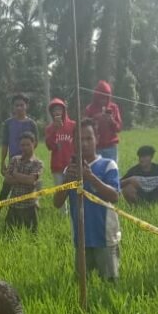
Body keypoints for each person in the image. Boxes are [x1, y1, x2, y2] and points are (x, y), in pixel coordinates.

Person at [53, 119, 122, 282]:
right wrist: (66, 181)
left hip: (105, 236)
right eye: (80, 139)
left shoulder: (108, 165)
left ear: (97, 138)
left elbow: (114, 196)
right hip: (81, 237)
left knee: (109, 282)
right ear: (74, 142)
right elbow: (57, 203)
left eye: (89, 138)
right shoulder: (69, 170)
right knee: (83, 282)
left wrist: (91, 177)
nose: (84, 143)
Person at [0, 94, 40, 221]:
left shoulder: (32, 124)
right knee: (5, 190)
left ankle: (32, 217)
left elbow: (36, 143)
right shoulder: (8, 123)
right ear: (13, 107)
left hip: (28, 162)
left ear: (26, 106)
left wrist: (28, 155)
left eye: (21, 105)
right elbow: (5, 144)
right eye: (16, 105)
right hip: (14, 162)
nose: (19, 108)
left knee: (30, 190)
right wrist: (2, 162)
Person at [3, 131, 44, 232]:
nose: (25, 147)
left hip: (29, 207)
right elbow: (7, 179)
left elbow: (31, 180)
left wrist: (15, 174)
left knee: (32, 236)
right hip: (14, 205)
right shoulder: (15, 160)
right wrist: (24, 179)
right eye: (22, 145)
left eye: (28, 144)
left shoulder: (38, 163)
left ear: (34, 144)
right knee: (8, 235)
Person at [84, 81, 122, 162]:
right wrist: (95, 119)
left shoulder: (114, 108)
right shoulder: (90, 109)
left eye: (105, 98)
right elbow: (85, 128)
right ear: (96, 97)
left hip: (111, 147)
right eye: (101, 98)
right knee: (96, 168)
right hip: (96, 147)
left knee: (111, 168)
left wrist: (111, 120)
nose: (103, 100)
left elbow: (118, 128)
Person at [44, 98, 76, 186]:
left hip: (71, 165)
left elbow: (78, 144)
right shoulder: (49, 128)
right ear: (51, 113)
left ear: (64, 111)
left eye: (59, 109)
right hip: (57, 166)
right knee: (60, 191)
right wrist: (54, 130)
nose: (57, 112)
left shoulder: (73, 125)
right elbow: (49, 146)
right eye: (54, 110)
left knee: (73, 191)